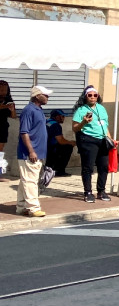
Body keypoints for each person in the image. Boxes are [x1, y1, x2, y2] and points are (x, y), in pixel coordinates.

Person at [72, 85, 119, 203]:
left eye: (95, 95)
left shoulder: (101, 108)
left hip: (102, 140)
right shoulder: (81, 110)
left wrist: (112, 140)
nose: (93, 97)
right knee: (88, 167)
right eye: (90, 95)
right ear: (85, 97)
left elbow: (105, 126)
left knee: (104, 166)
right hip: (88, 140)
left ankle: (101, 191)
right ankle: (88, 192)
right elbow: (75, 128)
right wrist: (84, 121)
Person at [17, 85, 51, 218]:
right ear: (37, 96)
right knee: (30, 181)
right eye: (45, 95)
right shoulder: (29, 110)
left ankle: (21, 206)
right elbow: (24, 132)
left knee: (26, 181)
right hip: (30, 154)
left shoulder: (38, 110)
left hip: (38, 152)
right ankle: (33, 208)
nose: (48, 97)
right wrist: (31, 151)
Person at [45, 109, 75, 176]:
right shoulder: (56, 125)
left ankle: (49, 168)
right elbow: (61, 140)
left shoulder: (47, 122)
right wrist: (71, 143)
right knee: (68, 148)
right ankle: (59, 170)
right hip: (52, 148)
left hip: (45, 146)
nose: (64, 118)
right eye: (62, 116)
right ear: (57, 117)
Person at [0, 79, 16, 153]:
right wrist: (5, 106)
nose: (3, 91)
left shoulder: (8, 100)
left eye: (5, 90)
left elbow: (13, 116)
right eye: (1, 89)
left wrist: (12, 109)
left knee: (1, 147)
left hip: (2, 126)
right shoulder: (5, 104)